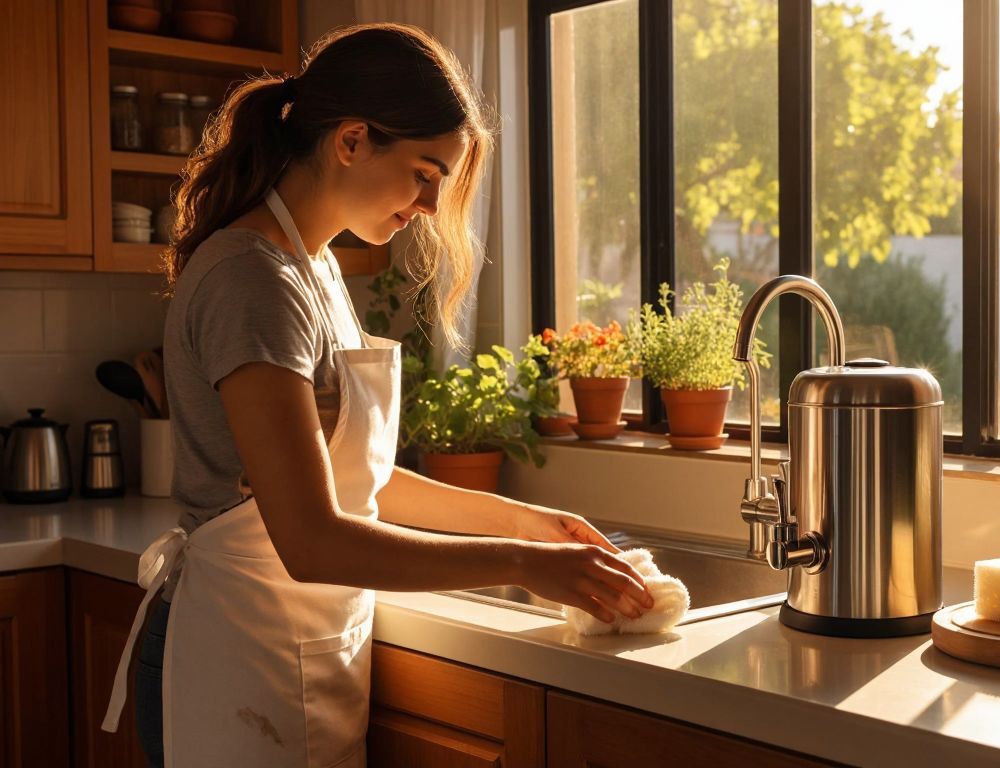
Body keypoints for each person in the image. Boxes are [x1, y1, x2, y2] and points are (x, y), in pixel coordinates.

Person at [101, 23, 654, 768]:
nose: (430, 203)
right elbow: (310, 538)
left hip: (297, 651)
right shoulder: (252, 278)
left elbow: (364, 483)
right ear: (352, 140)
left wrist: (533, 527)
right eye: (426, 171)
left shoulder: (316, 268)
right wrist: (521, 564)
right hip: (234, 652)